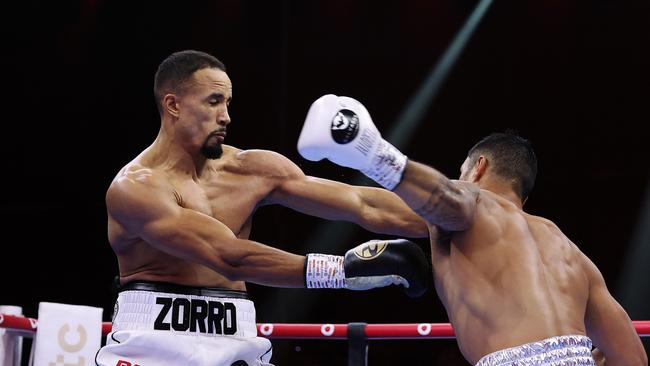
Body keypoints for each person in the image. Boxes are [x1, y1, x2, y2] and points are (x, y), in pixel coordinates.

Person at [95, 52, 431, 366]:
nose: (225, 116)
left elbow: (363, 203)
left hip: (237, 336)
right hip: (153, 341)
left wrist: (448, 215)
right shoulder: (135, 188)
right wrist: (342, 270)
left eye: (227, 102)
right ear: (173, 105)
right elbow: (228, 257)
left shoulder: (252, 169)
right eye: (213, 102)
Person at [297, 94, 648, 366]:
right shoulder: (571, 252)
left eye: (461, 171)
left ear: (478, 168)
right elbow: (632, 358)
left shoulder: (474, 201)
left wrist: (283, 185)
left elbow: (365, 203)